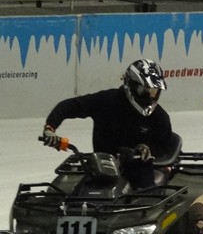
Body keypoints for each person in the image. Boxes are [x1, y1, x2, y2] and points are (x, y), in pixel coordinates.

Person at [41, 59, 178, 190]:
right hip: (101, 165)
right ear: (131, 85)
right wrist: (50, 128)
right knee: (75, 192)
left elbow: (165, 146)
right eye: (144, 91)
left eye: (154, 92)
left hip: (138, 167)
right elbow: (70, 106)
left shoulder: (159, 117)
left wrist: (147, 149)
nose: (150, 97)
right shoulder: (106, 101)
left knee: (145, 195)